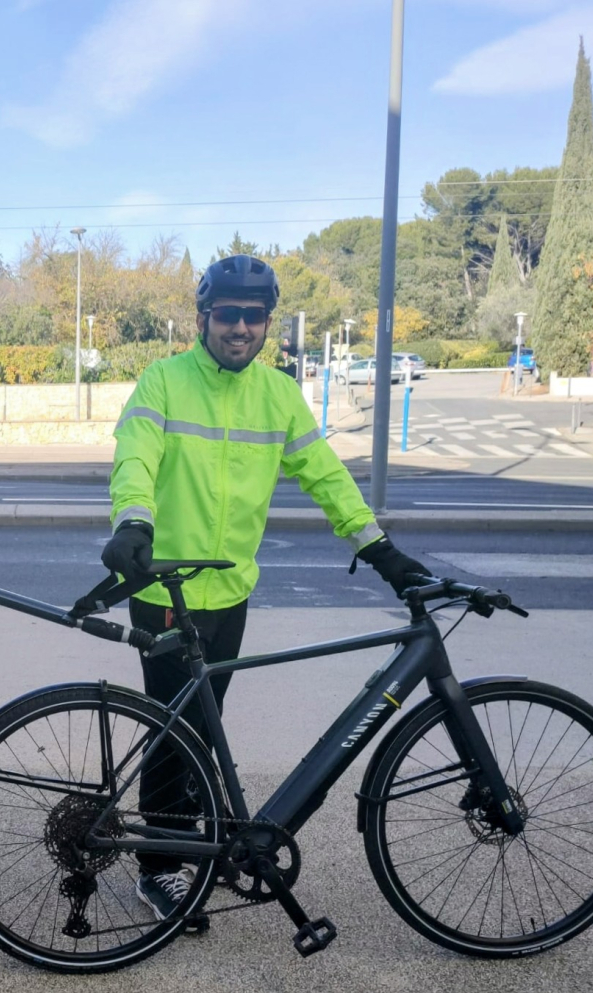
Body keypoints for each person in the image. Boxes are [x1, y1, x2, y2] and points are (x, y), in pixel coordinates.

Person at [102, 254, 430, 926]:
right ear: (204, 318)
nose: (240, 328)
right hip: (166, 589)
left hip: (230, 593)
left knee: (205, 728)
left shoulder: (278, 394)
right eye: (228, 314)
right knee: (174, 733)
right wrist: (133, 521)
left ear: (266, 323)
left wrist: (379, 549)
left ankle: (191, 847)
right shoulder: (164, 381)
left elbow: (325, 475)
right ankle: (159, 868)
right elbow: (135, 456)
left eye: (253, 317)